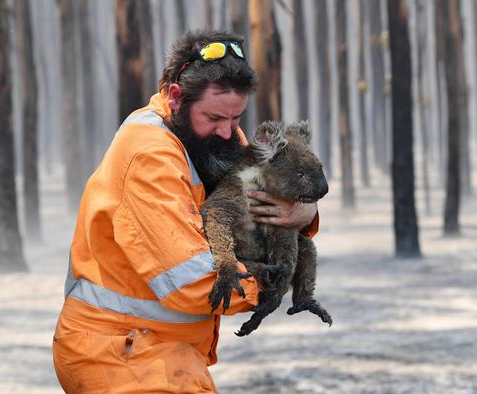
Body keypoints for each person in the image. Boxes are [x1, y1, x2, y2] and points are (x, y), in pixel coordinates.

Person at [52, 30, 319, 393]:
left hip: (162, 350)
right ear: (176, 98)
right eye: (215, 117)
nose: (228, 132)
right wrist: (272, 283)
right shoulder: (149, 155)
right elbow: (192, 281)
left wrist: (305, 215)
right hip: (121, 353)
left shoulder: (214, 138)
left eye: (237, 118)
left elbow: (270, 198)